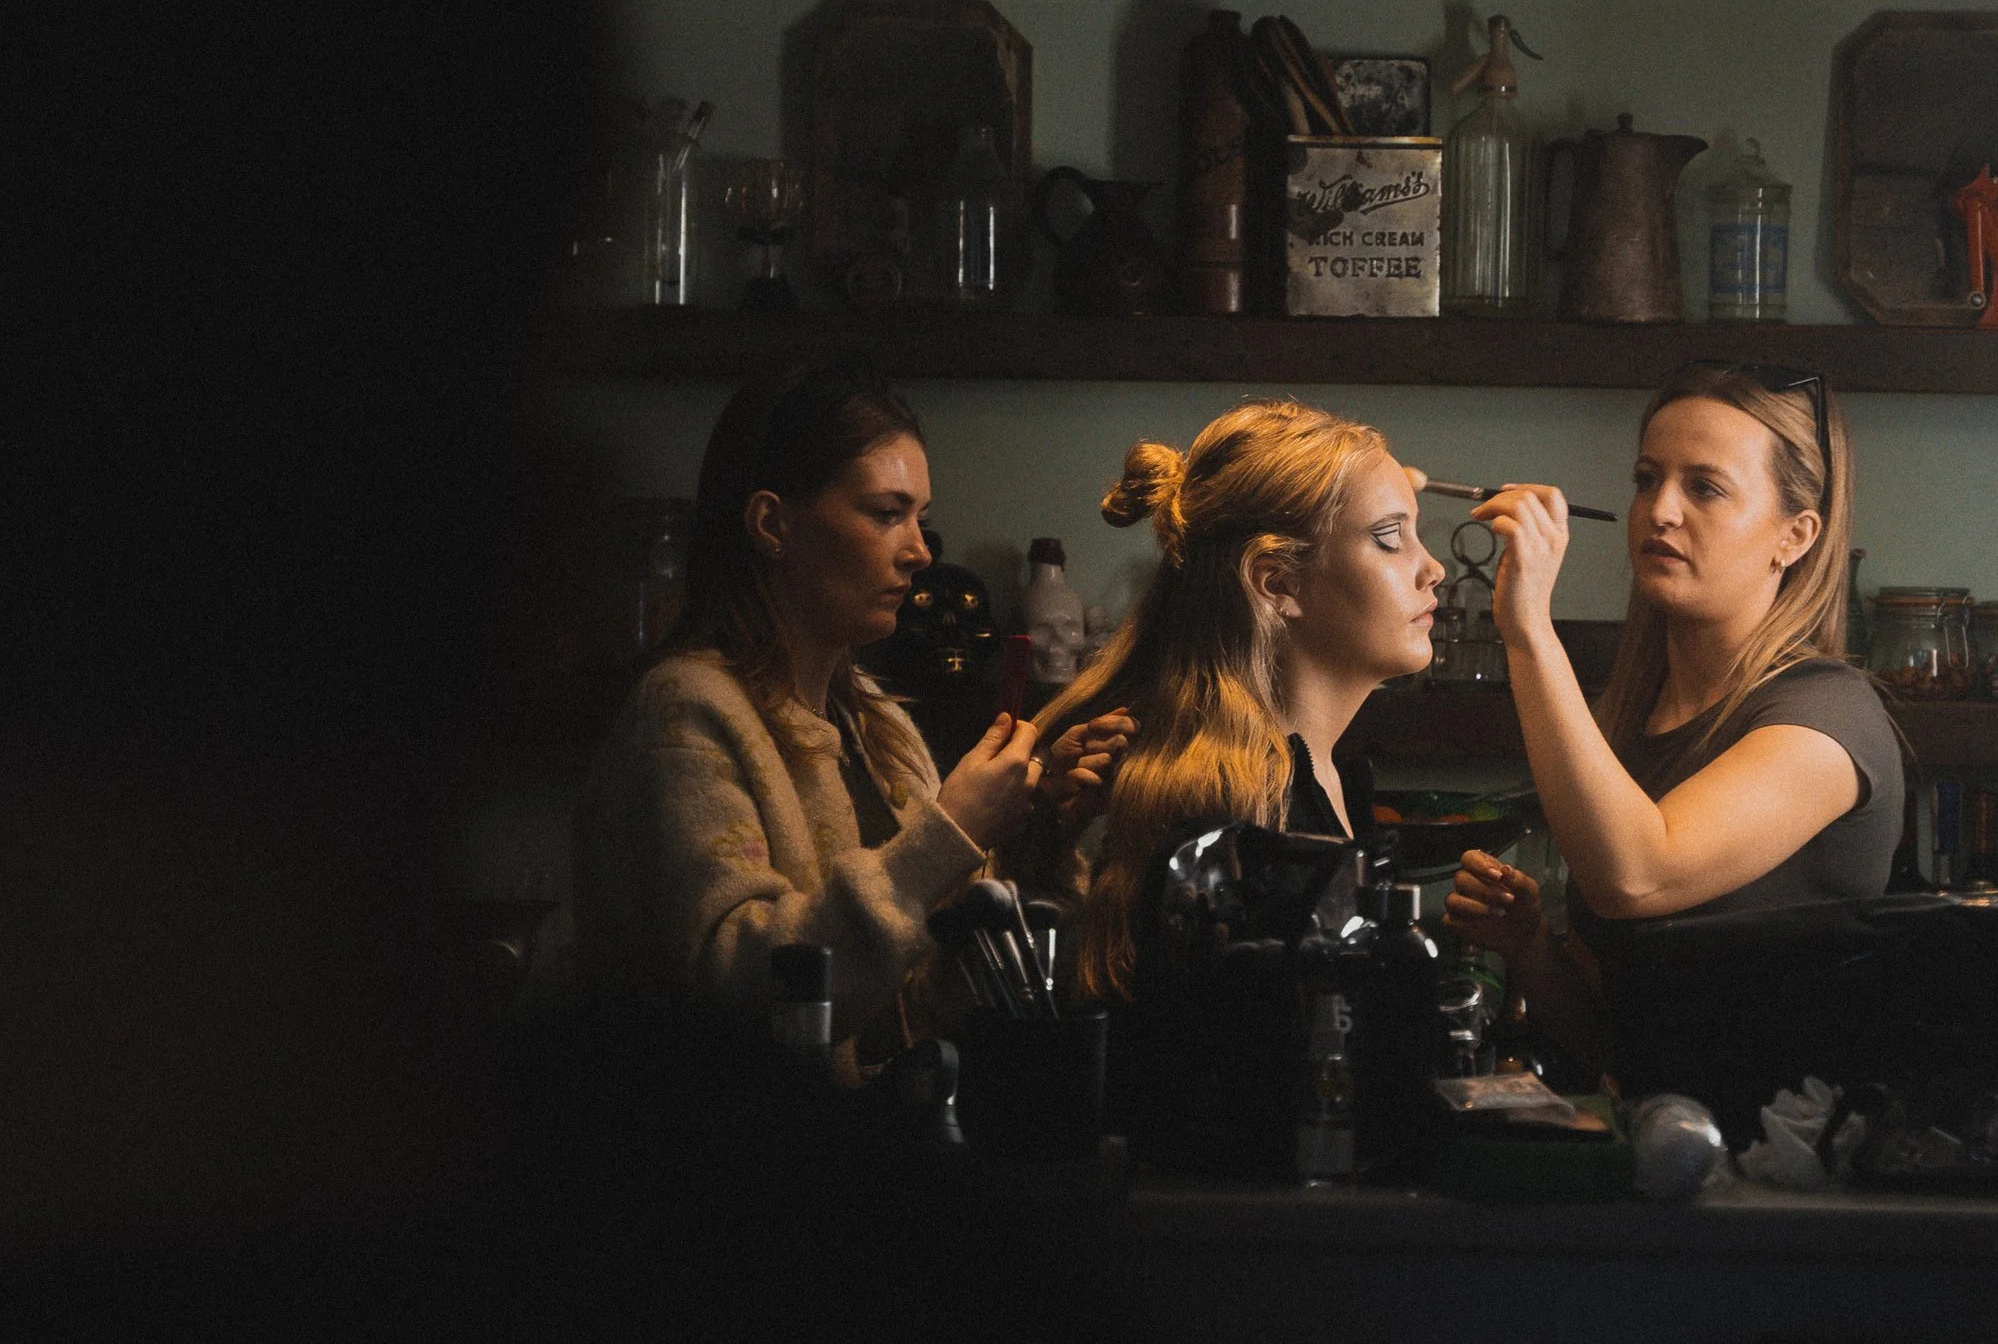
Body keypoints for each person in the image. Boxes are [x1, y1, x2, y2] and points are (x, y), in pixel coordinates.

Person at [571, 362, 1053, 1080]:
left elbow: (915, 1003)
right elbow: (739, 990)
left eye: (921, 516)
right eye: (887, 513)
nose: (921, 551)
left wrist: (1048, 834)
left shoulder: (876, 725)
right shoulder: (684, 713)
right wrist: (948, 832)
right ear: (773, 523)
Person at [1443, 363, 1904, 1074]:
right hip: (1661, 1150)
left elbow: (1637, 875)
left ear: (1797, 536)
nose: (1660, 510)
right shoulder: (1634, 718)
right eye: (1646, 479)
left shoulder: (1827, 718)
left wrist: (1527, 628)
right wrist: (1530, 945)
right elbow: (1615, 1043)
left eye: (1705, 488)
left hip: (1782, 1170)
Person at [1028, 399, 1445, 1001]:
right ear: (1277, 583)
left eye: (1417, 534)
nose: (1431, 568)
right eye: (1389, 537)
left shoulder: (1330, 780)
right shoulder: (1238, 823)